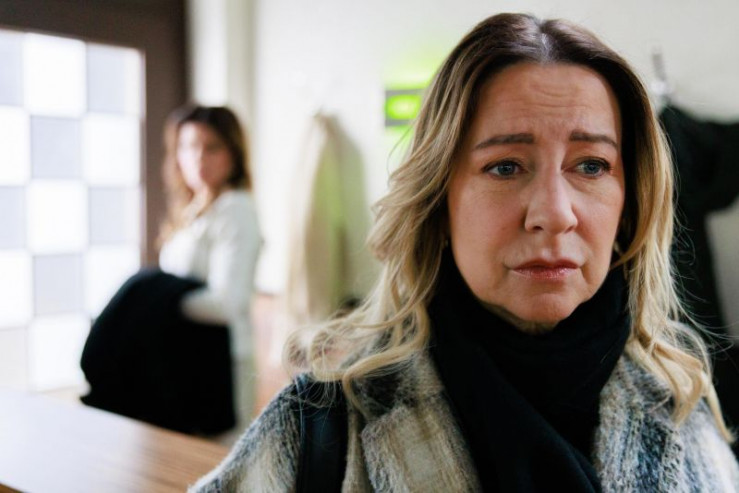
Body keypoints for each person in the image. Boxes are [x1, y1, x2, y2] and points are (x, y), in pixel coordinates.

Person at [191, 14, 739, 492]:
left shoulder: (683, 406)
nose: (555, 213)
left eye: (591, 165)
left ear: (630, 204)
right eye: (505, 166)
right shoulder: (322, 425)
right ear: (439, 203)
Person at [159, 105, 261, 429]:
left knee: (215, 453)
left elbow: (227, 302)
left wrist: (157, 302)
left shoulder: (235, 209)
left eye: (212, 147)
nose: (199, 158)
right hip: (186, 354)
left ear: (233, 154)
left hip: (220, 363)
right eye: (189, 146)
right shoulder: (192, 210)